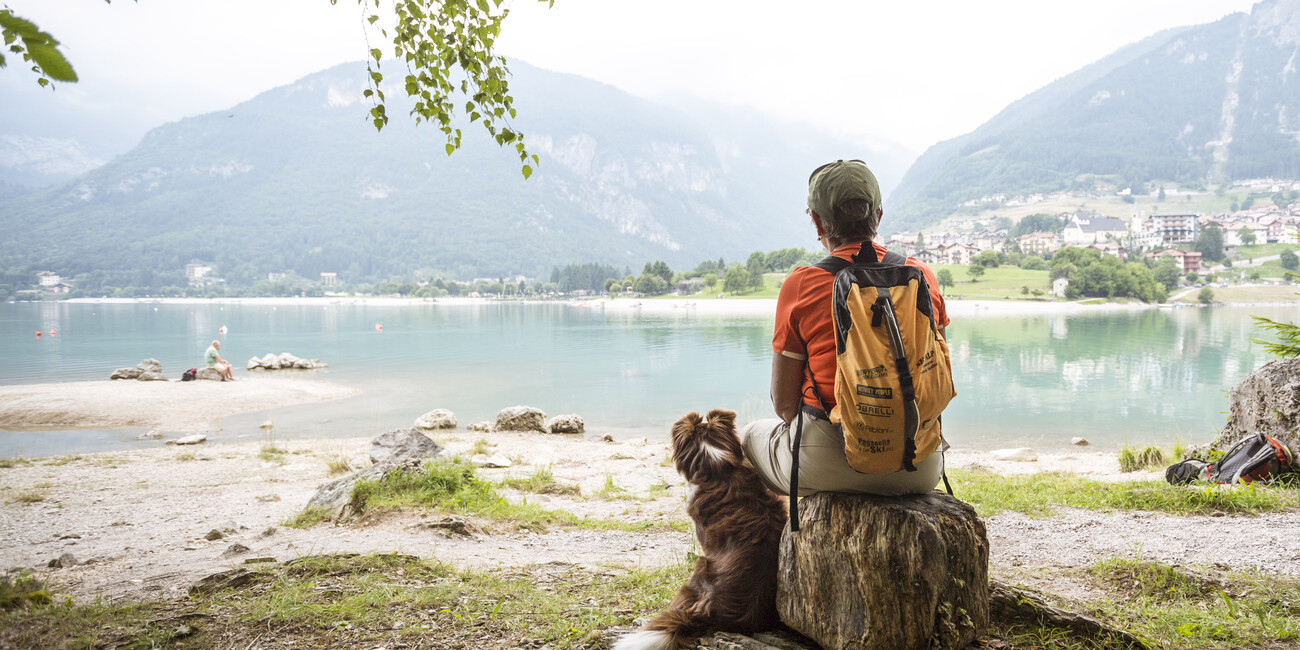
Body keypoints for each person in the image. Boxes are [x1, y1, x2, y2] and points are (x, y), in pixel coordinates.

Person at [740, 159, 950, 497]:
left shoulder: (802, 284)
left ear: (817, 220)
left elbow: (784, 405)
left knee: (750, 435)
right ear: (878, 216)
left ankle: (764, 544)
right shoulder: (921, 275)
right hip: (920, 465)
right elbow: (933, 374)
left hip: (828, 464)